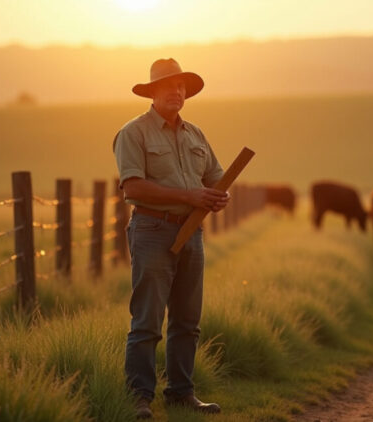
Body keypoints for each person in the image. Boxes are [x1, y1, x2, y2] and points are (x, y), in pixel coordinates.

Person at [113, 58, 229, 419]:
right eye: (168, 86)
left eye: (181, 87)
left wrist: (217, 196)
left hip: (191, 233)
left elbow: (215, 176)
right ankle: (139, 399)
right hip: (152, 230)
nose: (176, 92)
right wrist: (190, 196)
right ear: (152, 92)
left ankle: (181, 394)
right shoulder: (133, 133)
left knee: (187, 320)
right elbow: (132, 186)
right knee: (147, 320)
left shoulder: (196, 134)